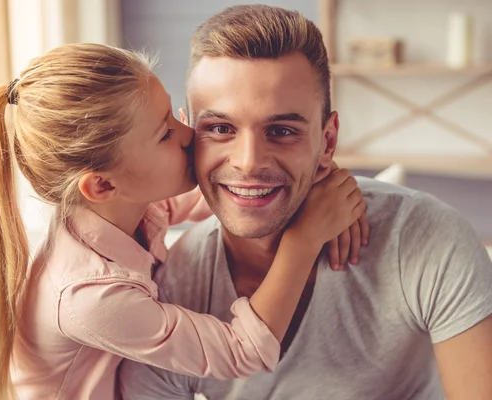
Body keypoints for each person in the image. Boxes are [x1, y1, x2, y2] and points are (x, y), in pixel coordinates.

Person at [119, 5, 492, 400]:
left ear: (327, 142)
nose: (248, 161)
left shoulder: (426, 240)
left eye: (281, 130)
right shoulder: (165, 296)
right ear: (190, 136)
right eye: (221, 128)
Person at [0, 42, 367, 399]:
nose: (191, 134)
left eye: (174, 116)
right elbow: (239, 352)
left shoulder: (119, 208)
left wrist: (310, 166)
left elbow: (223, 194)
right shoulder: (89, 296)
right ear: (103, 185)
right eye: (165, 134)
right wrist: (304, 239)